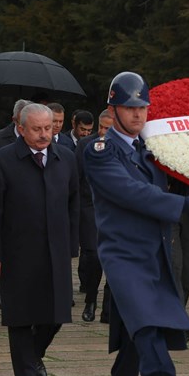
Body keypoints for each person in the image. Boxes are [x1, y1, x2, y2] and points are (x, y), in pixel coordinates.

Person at [83, 72, 189, 376]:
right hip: (123, 253)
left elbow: (179, 176)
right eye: (129, 107)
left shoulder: (150, 150)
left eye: (142, 107)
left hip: (155, 251)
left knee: (135, 338)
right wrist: (184, 205)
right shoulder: (100, 151)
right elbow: (133, 194)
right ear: (113, 109)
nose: (137, 115)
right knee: (148, 322)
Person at [0, 103, 79, 376]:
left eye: (48, 128)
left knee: (57, 313)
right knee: (22, 315)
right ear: (21, 129)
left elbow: (74, 202)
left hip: (56, 248)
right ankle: (26, 375)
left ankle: (35, 355)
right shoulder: (4, 159)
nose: (43, 135)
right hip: (18, 249)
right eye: (36, 129)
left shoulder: (66, 158)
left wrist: (73, 242)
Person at [77, 109, 114, 323]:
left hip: (114, 210)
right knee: (93, 256)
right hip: (90, 207)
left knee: (112, 258)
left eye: (108, 129)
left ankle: (108, 308)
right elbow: (77, 178)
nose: (102, 132)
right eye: (101, 127)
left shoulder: (123, 146)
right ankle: (90, 299)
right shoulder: (84, 146)